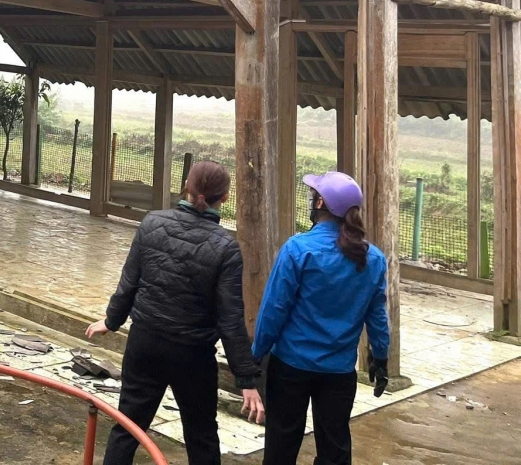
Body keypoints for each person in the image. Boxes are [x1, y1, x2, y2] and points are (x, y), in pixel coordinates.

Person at [85, 160, 263, 465]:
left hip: (144, 343)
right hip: (192, 355)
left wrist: (111, 321)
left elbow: (128, 283)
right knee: (201, 434)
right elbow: (230, 319)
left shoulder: (152, 223)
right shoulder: (226, 247)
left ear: (186, 188)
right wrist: (246, 379)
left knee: (128, 426)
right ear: (225, 197)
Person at [254, 171, 390, 465]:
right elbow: (377, 314)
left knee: (281, 445)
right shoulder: (374, 259)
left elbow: (274, 310)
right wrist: (380, 357)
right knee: (334, 448)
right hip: (338, 372)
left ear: (320, 204)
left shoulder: (298, 249)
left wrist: (255, 354)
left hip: (290, 366)